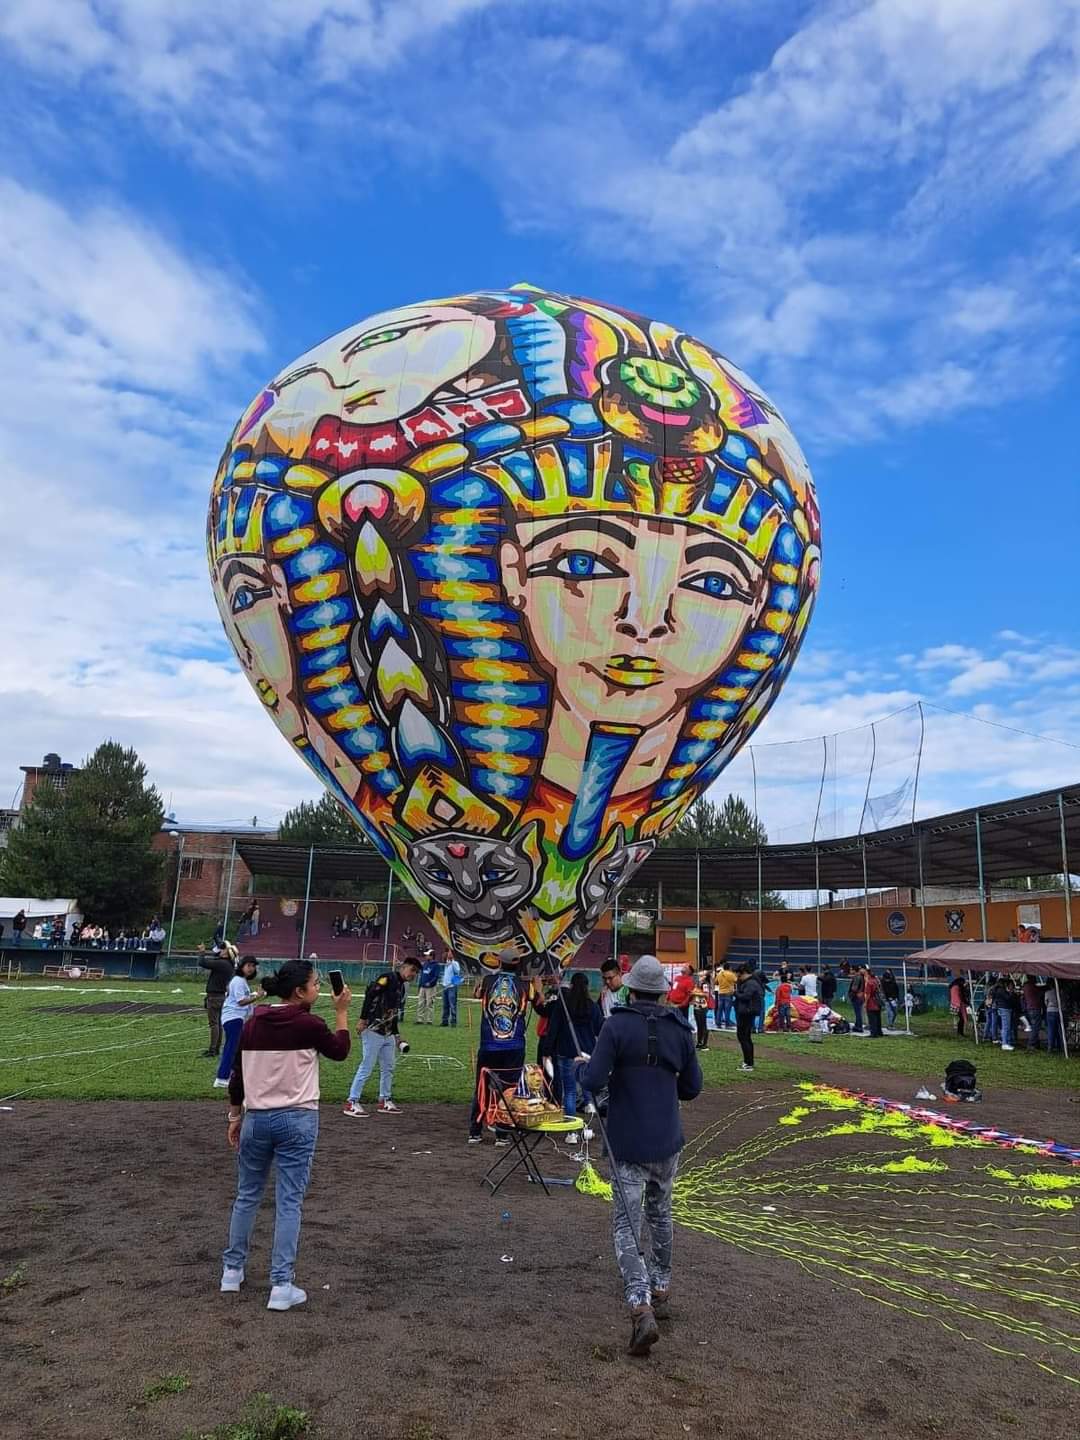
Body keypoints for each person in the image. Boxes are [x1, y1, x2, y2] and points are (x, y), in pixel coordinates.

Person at [577, 955, 702, 1356]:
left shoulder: (616, 1025)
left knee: (626, 1224)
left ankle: (639, 1302)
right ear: (663, 992)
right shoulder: (680, 1028)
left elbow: (594, 1080)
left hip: (628, 1143)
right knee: (660, 1213)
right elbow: (693, 1087)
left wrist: (584, 1072)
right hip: (667, 1141)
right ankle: (661, 1284)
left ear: (630, 987)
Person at [221, 959, 352, 1310]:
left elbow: (238, 1075)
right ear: (299, 991)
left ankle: (231, 1271)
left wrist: (235, 1116)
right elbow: (339, 1051)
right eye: (315, 984)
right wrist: (342, 1013)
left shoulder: (251, 1025)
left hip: (256, 1119)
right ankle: (281, 1284)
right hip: (297, 1119)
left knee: (247, 1195)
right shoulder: (310, 1024)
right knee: (289, 1201)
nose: (319, 989)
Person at [343, 957, 420, 1116]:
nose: (413, 974)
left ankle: (385, 1099)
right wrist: (362, 1020)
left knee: (389, 1067)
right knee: (367, 1066)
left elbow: (394, 1013)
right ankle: (352, 1102)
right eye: (412, 970)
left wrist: (397, 1035)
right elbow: (370, 996)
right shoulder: (387, 978)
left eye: (416, 972)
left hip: (388, 1033)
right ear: (403, 967)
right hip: (373, 1029)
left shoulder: (402, 987)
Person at [467, 949, 529, 1145]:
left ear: (499, 962)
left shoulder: (487, 981)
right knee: (509, 1090)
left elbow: (476, 994)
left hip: (489, 1046)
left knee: (482, 1087)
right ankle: (502, 1133)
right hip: (514, 1047)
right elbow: (539, 1001)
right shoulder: (525, 984)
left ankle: (475, 1131)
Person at [546, 972, 602, 1119]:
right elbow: (599, 1029)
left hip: (567, 1051)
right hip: (587, 1052)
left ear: (571, 986)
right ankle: (589, 1107)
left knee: (569, 1091)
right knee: (586, 1083)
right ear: (587, 987)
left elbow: (553, 1028)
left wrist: (547, 1050)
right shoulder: (593, 1007)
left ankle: (572, 1130)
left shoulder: (563, 1006)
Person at [214, 953, 260, 1087]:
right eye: (248, 965)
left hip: (235, 1018)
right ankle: (222, 1078)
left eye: (253, 966)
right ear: (242, 966)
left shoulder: (240, 981)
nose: (251, 969)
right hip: (233, 1018)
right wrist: (257, 997)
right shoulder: (239, 981)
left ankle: (230, 1075)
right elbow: (241, 1001)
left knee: (233, 1048)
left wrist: (254, 996)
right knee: (231, 1048)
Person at [199, 944, 236, 1057]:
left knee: (214, 1024)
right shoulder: (229, 965)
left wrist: (202, 952)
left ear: (227, 954)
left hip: (214, 997)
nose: (221, 950)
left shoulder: (221, 963)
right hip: (221, 997)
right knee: (218, 1023)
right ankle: (216, 1049)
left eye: (224, 950)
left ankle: (212, 1049)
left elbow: (202, 963)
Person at [733, 964, 763, 1072]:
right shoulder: (751, 982)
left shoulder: (750, 983)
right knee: (745, 1037)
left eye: (739, 976)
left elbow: (745, 996)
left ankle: (748, 1063)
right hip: (746, 1012)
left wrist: (735, 993)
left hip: (746, 1012)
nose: (738, 978)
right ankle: (748, 1061)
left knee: (744, 1037)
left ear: (744, 973)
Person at [416, 953, 442, 1024]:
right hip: (423, 986)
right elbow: (422, 975)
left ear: (431, 956)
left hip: (431, 987)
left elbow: (436, 976)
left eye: (427, 955)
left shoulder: (436, 965)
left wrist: (430, 983)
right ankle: (420, 1019)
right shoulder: (425, 964)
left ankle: (429, 1020)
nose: (426, 956)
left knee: (429, 1004)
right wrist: (419, 985)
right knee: (420, 1003)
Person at [1021, 974, 1044, 1052]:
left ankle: (1036, 1043)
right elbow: (1040, 991)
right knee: (1036, 1027)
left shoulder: (1025, 987)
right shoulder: (1033, 986)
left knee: (1034, 1026)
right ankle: (1031, 1044)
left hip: (1029, 1008)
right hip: (1035, 1008)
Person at [440, 950, 463, 1027]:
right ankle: (444, 1021)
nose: (448, 954)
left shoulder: (455, 963)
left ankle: (453, 1021)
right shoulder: (446, 964)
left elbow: (457, 971)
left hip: (452, 987)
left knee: (452, 1005)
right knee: (445, 1005)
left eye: (450, 953)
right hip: (445, 986)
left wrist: (452, 961)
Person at [713, 961, 736, 1029]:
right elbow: (736, 980)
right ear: (729, 968)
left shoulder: (719, 974)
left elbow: (715, 982)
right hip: (728, 993)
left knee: (719, 1009)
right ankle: (727, 1024)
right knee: (727, 1009)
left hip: (720, 993)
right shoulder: (731, 974)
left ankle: (718, 1024)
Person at [691, 975, 711, 1050]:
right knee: (699, 1025)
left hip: (702, 1007)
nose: (700, 976)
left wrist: (695, 993)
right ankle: (699, 1042)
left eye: (702, 976)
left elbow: (706, 995)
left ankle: (704, 1044)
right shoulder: (696, 985)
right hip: (696, 1007)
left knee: (703, 1025)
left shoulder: (704, 985)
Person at [864, 966, 883, 1038]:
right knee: (878, 1017)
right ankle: (879, 1032)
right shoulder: (877, 980)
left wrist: (865, 1003)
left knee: (872, 1018)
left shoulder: (869, 983)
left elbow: (868, 994)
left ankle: (873, 1033)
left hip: (872, 1002)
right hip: (878, 1001)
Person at [950, 974, 970, 1039]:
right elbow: (961, 997)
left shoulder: (953, 987)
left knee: (960, 1019)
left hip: (954, 1004)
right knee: (961, 1019)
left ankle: (960, 1032)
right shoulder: (958, 987)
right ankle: (960, 1032)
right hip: (959, 1005)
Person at [1045, 982, 1063, 1053]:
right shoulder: (1060, 992)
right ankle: (1059, 1045)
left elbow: (1046, 1002)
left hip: (1050, 1010)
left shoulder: (1047, 992)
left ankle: (1050, 1047)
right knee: (1058, 1029)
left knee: (1051, 1029)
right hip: (1058, 1011)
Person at [847, 967, 866, 1033]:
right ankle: (857, 1025)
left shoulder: (857, 977)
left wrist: (851, 993)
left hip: (856, 997)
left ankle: (859, 1027)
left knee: (858, 1013)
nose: (850, 970)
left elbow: (854, 988)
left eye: (851, 969)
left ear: (854, 970)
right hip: (859, 997)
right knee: (858, 1012)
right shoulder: (860, 976)